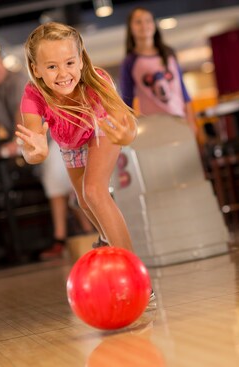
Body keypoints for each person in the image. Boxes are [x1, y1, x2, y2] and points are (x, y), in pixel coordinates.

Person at [15, 22, 139, 254]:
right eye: (52, 66)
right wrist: (35, 153)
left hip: (103, 128)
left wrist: (126, 135)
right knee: (83, 199)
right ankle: (105, 237)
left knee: (93, 190)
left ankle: (134, 270)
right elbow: (31, 143)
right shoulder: (33, 95)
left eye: (69, 63)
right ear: (36, 69)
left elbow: (126, 121)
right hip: (69, 142)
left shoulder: (97, 80)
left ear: (81, 60)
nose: (63, 74)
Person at [0, 47, 94, 261]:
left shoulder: (18, 82)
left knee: (60, 186)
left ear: (2, 64)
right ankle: (83, 233)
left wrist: (18, 141)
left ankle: (68, 237)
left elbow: (23, 114)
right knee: (67, 189)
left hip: (51, 136)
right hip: (36, 142)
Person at [119, 7, 198, 138]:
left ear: (154, 25)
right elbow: (127, 102)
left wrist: (191, 121)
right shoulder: (130, 62)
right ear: (130, 28)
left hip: (180, 119)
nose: (144, 25)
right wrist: (130, 130)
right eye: (138, 22)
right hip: (154, 125)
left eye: (148, 20)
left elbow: (183, 91)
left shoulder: (168, 54)